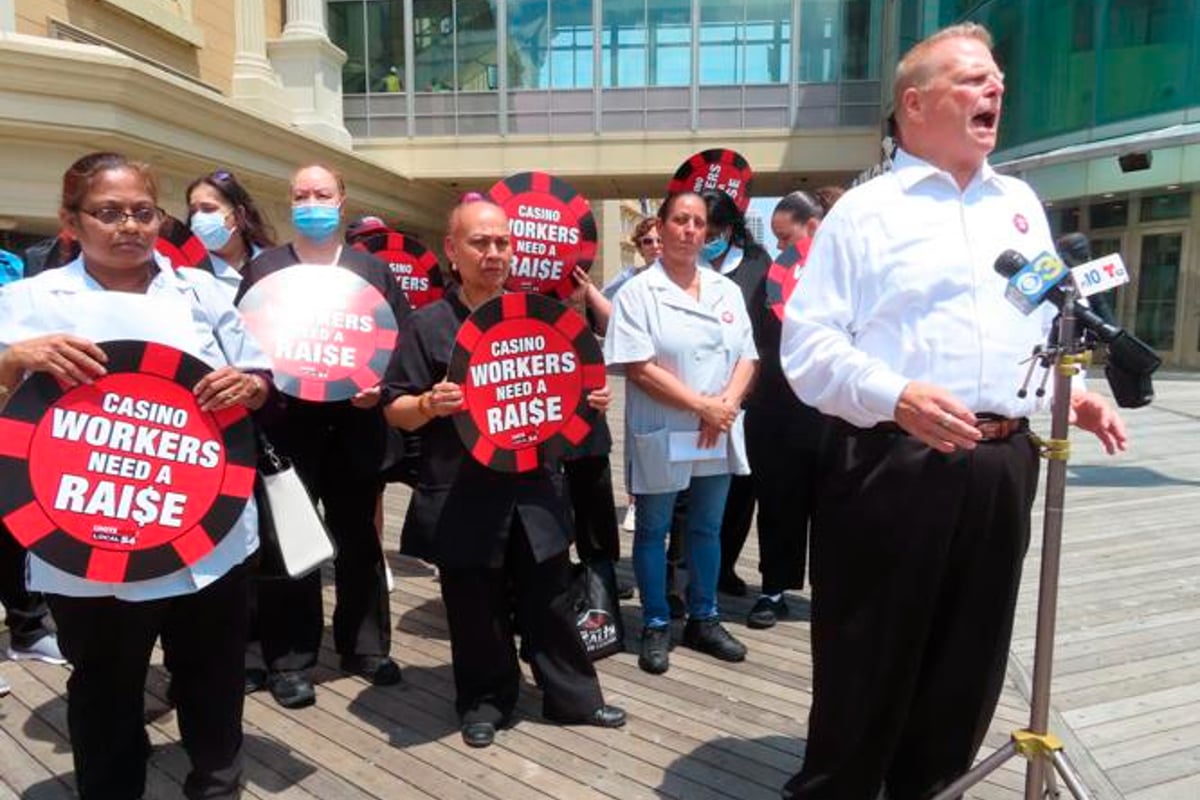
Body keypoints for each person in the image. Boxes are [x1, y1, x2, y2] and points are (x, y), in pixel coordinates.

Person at [778, 25, 1127, 799]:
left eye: (997, 78)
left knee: (966, 669)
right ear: (915, 102)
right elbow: (807, 349)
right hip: (890, 464)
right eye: (972, 80)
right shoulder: (865, 212)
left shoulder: (1020, 204)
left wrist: (1074, 395)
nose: (994, 90)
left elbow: (1034, 328)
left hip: (1004, 462)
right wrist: (894, 396)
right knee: (868, 662)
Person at [0, 151, 271, 800]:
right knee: (104, 683)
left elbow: (259, 379)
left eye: (143, 213)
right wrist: (12, 360)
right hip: (88, 535)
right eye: (109, 213)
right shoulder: (27, 301)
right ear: (72, 220)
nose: (129, 226)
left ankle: (217, 782)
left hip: (206, 530)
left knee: (212, 675)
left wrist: (249, 385)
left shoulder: (204, 294)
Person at [382, 197, 625, 748]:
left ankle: (575, 697)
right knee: (474, 606)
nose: (494, 254)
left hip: (534, 488)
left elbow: (574, 391)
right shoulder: (426, 325)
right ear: (453, 250)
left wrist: (594, 398)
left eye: (502, 243)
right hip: (463, 493)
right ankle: (485, 701)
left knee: (551, 598)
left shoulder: (539, 315)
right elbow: (393, 406)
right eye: (480, 243)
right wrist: (427, 405)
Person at [236, 164, 409, 709]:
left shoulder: (371, 271)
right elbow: (241, 346)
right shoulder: (265, 269)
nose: (312, 202)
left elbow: (397, 345)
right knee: (289, 541)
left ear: (342, 199)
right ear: (290, 203)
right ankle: (289, 659)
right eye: (302, 194)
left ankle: (366, 647)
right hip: (287, 426)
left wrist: (379, 391)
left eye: (323, 194)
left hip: (356, 423)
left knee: (359, 536)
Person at [605, 191, 758, 676]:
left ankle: (704, 617)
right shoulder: (637, 292)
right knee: (654, 528)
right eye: (681, 220)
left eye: (699, 223)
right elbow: (638, 366)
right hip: (667, 428)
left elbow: (748, 356)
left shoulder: (725, 290)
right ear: (664, 227)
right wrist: (702, 407)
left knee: (707, 528)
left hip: (717, 429)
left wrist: (727, 405)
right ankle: (655, 622)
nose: (691, 230)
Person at [738, 188, 841, 631]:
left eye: (786, 237)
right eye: (776, 239)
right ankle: (773, 589)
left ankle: (832, 589)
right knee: (778, 503)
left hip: (833, 412)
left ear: (815, 227)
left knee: (834, 506)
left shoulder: (848, 273)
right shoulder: (769, 278)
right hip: (776, 409)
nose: (780, 247)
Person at [699, 190, 773, 598]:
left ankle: (724, 566)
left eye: (713, 231)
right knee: (691, 495)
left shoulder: (758, 265)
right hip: (692, 398)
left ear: (731, 230)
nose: (704, 238)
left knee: (740, 491)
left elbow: (762, 334)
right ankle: (688, 574)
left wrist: (742, 392)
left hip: (746, 399)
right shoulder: (680, 264)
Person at [186, 169, 277, 300]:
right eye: (193, 212)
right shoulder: (187, 272)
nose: (198, 218)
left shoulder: (273, 264)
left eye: (208, 209)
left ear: (239, 215)